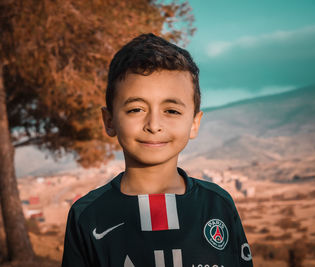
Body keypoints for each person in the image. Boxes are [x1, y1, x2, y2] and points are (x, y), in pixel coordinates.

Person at [62, 33, 253, 267]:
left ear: (194, 123)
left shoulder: (218, 205)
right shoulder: (88, 215)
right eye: (135, 109)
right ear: (109, 120)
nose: (153, 125)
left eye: (171, 110)